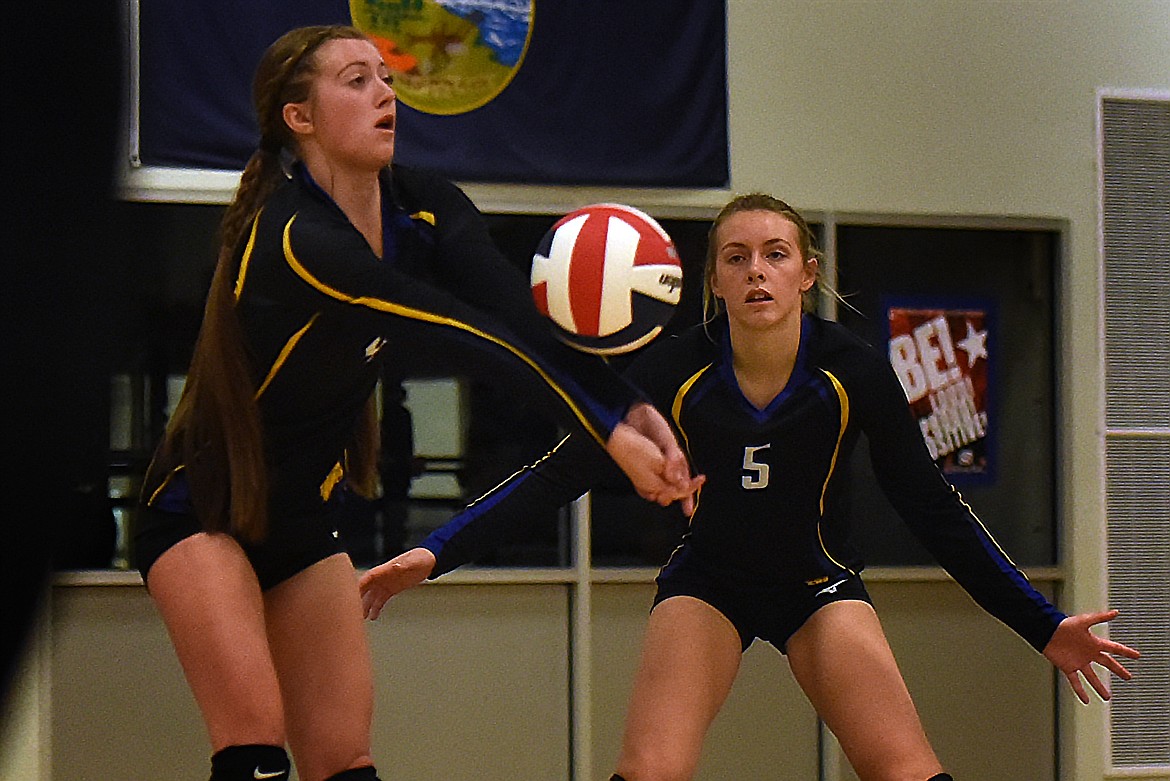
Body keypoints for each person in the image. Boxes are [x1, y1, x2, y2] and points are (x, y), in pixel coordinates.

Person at [360, 193, 1141, 781]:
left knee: (909, 771)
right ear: (714, 280)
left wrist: (1044, 625)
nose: (756, 270)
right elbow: (561, 473)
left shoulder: (854, 372)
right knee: (651, 769)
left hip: (819, 586)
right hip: (709, 585)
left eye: (774, 253)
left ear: (807, 272)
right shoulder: (672, 372)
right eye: (736, 256)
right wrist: (431, 552)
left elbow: (935, 510)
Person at [134, 25, 700, 781]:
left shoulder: (426, 207)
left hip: (300, 515)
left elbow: (513, 319)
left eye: (387, 79)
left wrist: (626, 406)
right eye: (356, 80)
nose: (385, 94)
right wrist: (605, 435)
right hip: (201, 508)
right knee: (254, 745)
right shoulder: (294, 235)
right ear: (299, 117)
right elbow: (465, 338)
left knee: (347, 760)